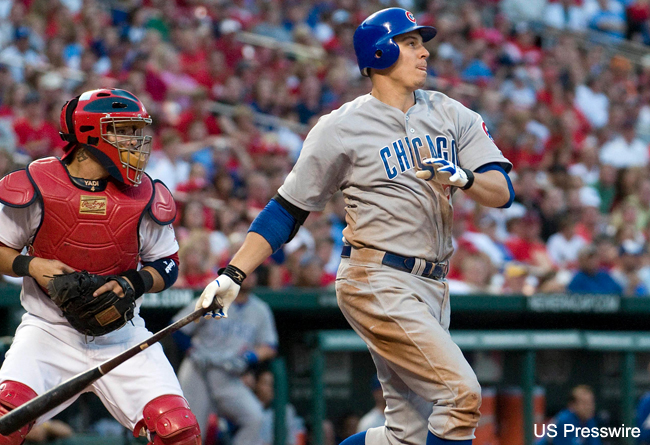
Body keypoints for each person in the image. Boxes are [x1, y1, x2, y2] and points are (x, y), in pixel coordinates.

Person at [195, 7, 514, 445]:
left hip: (433, 285)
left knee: (409, 436)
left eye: (422, 43)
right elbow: (287, 209)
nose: (424, 53)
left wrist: (465, 178)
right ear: (380, 52)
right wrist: (233, 272)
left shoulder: (450, 113)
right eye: (412, 43)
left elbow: (502, 191)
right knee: (461, 395)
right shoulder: (340, 127)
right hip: (376, 278)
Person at [0, 88, 201, 445]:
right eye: (125, 130)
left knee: (179, 432)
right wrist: (30, 265)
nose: (137, 141)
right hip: (49, 330)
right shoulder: (38, 183)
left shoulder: (147, 193)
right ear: (91, 132)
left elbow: (168, 264)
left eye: (138, 131)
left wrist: (134, 283)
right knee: (4, 421)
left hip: (122, 336)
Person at [173, 270, 278, 445]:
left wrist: (249, 357)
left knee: (255, 417)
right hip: (198, 371)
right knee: (192, 431)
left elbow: (270, 346)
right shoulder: (213, 298)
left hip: (228, 374)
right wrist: (191, 351)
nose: (249, 278)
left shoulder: (260, 310)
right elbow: (177, 326)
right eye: (245, 273)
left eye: (252, 274)